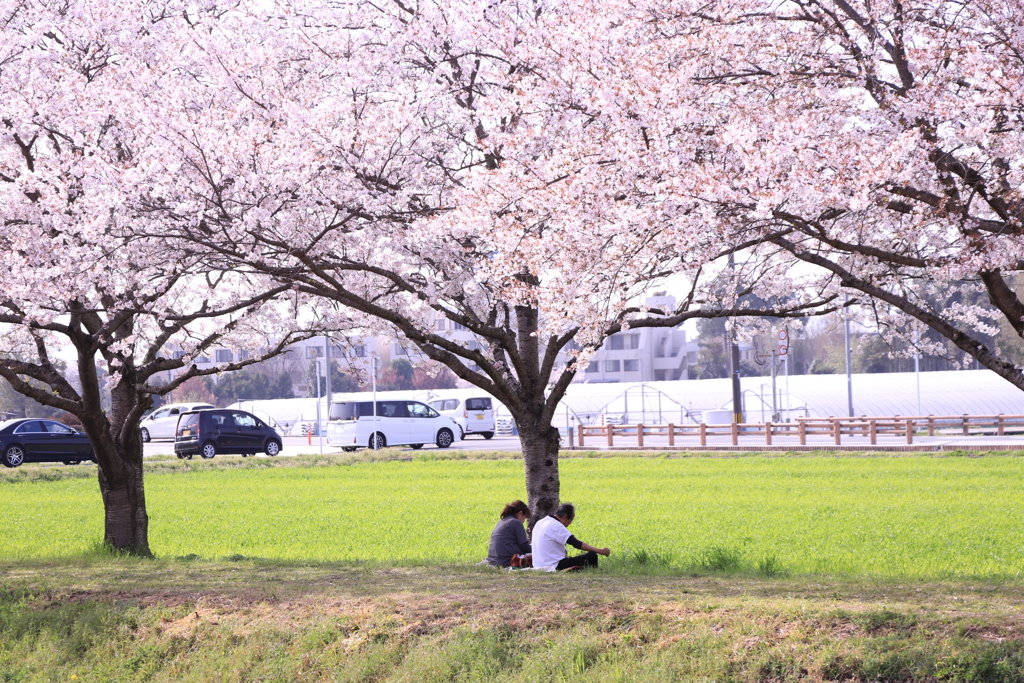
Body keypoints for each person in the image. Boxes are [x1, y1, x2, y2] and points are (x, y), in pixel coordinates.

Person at [531, 502, 611, 571]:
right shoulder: (556, 526)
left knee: (572, 559)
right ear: (565, 517)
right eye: (570, 520)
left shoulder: (541, 522)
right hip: (554, 566)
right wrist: (599, 551)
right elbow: (576, 544)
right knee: (592, 556)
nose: (570, 524)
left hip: (538, 564)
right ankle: (592, 572)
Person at [485, 500, 531, 567]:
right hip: (507, 561)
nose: (524, 521)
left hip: (494, 560)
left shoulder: (502, 521)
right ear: (520, 513)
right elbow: (524, 546)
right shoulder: (516, 522)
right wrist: (537, 549)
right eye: (525, 517)